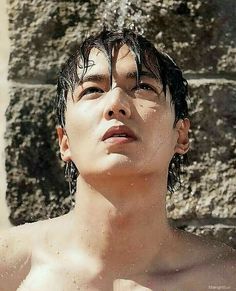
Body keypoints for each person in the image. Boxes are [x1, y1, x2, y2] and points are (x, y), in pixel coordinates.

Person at [0, 28, 235, 291]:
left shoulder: (224, 278)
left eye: (143, 87)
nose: (116, 103)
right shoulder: (9, 268)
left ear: (180, 136)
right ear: (64, 142)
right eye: (92, 90)